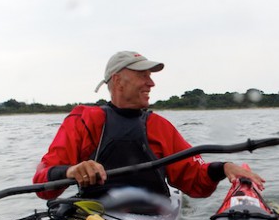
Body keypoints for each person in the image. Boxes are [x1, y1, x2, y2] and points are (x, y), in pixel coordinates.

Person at [33, 50, 265, 200]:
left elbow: (196, 183)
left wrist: (222, 167)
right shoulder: (84, 120)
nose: (151, 83)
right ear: (118, 80)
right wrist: (71, 171)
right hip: (93, 217)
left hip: (151, 218)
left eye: (150, 76)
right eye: (142, 75)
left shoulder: (159, 126)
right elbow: (43, 183)